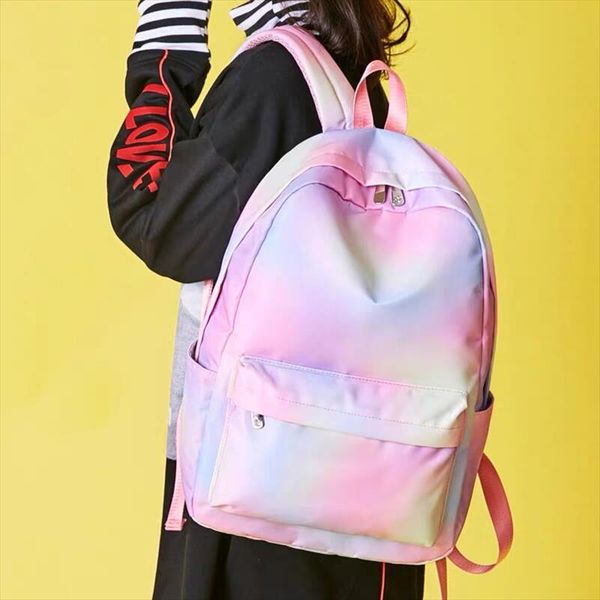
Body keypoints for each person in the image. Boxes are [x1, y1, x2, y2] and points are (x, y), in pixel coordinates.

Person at [107, 1, 422, 598]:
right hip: (364, 483)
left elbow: (153, 214)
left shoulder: (273, 80)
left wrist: (166, 47)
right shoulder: (351, 76)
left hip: (260, 493)